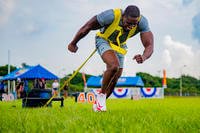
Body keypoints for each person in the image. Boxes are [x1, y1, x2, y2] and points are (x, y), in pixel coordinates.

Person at [67, 5, 154, 111]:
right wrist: (73, 43)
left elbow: (149, 45)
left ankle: (98, 104)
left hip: (120, 45)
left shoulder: (142, 22)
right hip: (104, 40)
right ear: (123, 16)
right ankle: (101, 96)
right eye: (128, 23)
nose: (131, 26)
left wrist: (144, 57)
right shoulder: (110, 16)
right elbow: (88, 26)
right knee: (114, 66)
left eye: (134, 24)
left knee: (115, 78)